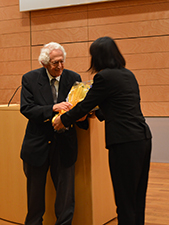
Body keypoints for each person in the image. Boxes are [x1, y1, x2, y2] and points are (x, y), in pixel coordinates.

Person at [53, 37, 152, 225]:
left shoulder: (104, 77)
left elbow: (84, 105)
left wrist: (62, 120)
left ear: (98, 57)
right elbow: (118, 105)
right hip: (143, 138)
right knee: (137, 197)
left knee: (124, 199)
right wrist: (94, 113)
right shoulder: (127, 74)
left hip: (124, 143)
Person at [20, 42, 88, 225]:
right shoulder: (30, 79)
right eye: (54, 63)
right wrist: (53, 108)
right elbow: (27, 109)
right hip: (37, 146)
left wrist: (82, 115)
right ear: (44, 64)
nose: (59, 66)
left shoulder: (74, 78)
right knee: (34, 199)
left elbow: (81, 106)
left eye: (62, 61)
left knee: (66, 198)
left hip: (64, 145)